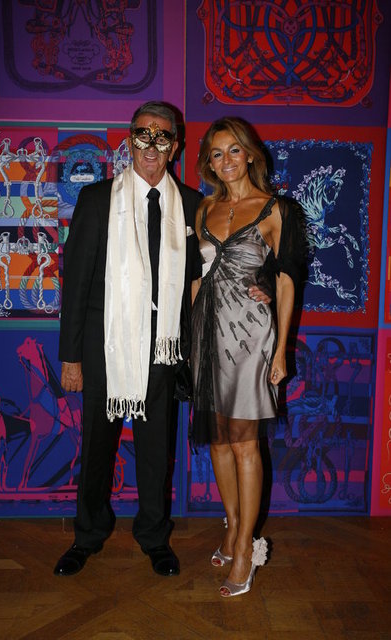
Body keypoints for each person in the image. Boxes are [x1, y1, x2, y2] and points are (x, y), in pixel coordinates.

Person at [54, 101, 204, 577]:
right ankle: (87, 535)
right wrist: (71, 357)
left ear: (175, 146)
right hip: (107, 348)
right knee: (97, 448)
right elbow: (76, 283)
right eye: (143, 134)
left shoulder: (192, 204)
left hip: (163, 349)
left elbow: (203, 279)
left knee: (156, 450)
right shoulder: (98, 199)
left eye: (163, 137)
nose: (152, 146)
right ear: (129, 140)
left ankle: (155, 538)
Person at [190, 117, 303, 597]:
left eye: (234, 150)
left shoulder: (277, 209)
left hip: (251, 337)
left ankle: (244, 550)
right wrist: (189, 341)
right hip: (206, 337)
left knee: (243, 443)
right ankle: (233, 525)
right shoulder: (204, 209)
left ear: (251, 154)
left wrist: (280, 349)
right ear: (209, 163)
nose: (226, 161)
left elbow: (286, 281)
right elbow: (197, 278)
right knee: (218, 441)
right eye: (216, 154)